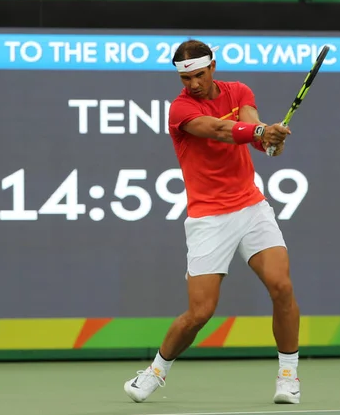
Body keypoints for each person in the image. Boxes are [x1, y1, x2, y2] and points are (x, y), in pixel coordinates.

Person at [123, 39, 301, 405]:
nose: (193, 84)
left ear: (212, 67)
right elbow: (220, 131)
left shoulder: (239, 91)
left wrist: (270, 140)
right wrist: (258, 133)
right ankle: (155, 371)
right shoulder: (180, 110)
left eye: (199, 76)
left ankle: (288, 375)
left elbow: (254, 131)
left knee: (281, 287)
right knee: (200, 312)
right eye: (185, 78)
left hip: (252, 208)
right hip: (208, 218)